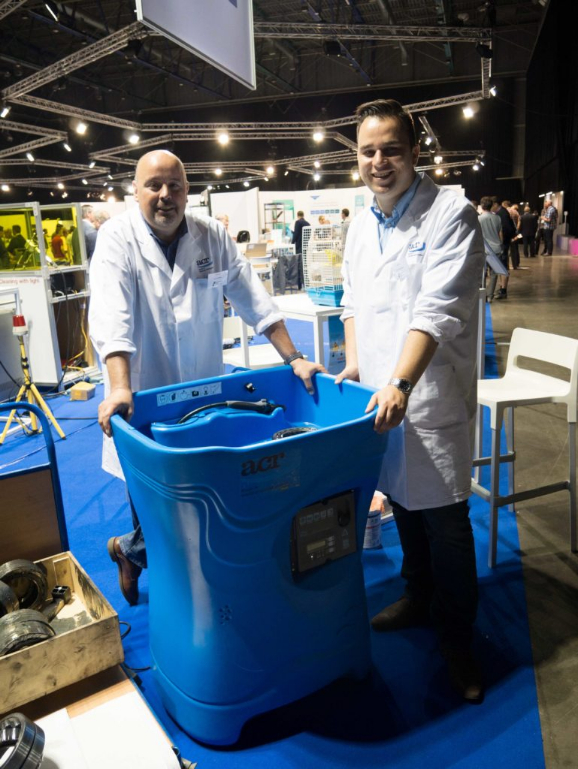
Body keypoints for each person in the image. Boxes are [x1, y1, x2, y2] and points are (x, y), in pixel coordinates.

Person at [89, 150, 324, 606]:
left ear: (187, 191)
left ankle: (138, 554)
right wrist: (119, 386)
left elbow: (253, 298)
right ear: (135, 191)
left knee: (204, 504)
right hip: (143, 393)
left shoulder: (211, 235)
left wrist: (294, 358)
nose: (165, 195)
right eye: (154, 185)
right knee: (156, 509)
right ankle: (146, 566)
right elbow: (111, 318)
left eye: (174, 185)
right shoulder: (117, 239)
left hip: (202, 393)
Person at [335, 98, 485, 702]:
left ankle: (459, 640)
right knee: (400, 500)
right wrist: (355, 363)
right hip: (382, 395)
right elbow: (351, 299)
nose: (379, 162)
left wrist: (400, 382)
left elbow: (437, 310)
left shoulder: (451, 213)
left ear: (415, 151)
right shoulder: (360, 221)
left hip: (426, 395)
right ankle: (417, 597)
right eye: (368, 151)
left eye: (391, 150)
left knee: (445, 520)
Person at [478, 196, 503, 302]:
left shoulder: (479, 219)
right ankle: (490, 296)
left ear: (481, 206)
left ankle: (482, 295)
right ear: (491, 205)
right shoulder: (497, 218)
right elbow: (500, 234)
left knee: (482, 274)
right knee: (493, 274)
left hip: (483, 250)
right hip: (496, 249)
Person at [491, 197, 515, 299]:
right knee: (501, 266)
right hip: (503, 243)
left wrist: (501, 241)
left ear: (495, 204)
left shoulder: (502, 214)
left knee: (503, 266)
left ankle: (503, 290)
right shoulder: (502, 212)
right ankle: (502, 288)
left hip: (503, 244)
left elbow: (507, 230)